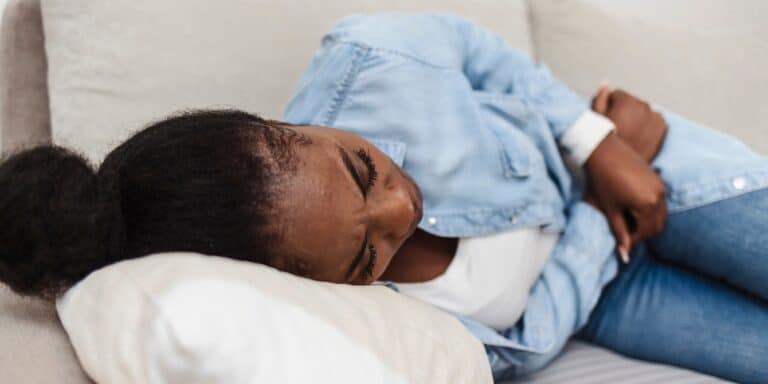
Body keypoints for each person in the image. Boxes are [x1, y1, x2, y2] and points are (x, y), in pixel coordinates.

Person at [0, 13, 765, 383]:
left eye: (362, 170)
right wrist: (600, 225)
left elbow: (479, 53)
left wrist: (594, 140)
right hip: (609, 286)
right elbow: (531, 342)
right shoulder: (380, 323)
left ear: (287, 124)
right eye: (368, 254)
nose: (401, 211)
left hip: (642, 164)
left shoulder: (372, 62)